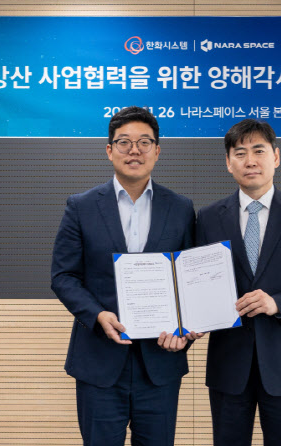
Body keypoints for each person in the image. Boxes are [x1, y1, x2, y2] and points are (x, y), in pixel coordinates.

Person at [51, 106, 194, 446]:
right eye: (124, 142)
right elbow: (64, 276)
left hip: (160, 362)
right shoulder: (81, 206)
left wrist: (186, 329)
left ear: (157, 151)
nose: (134, 150)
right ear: (109, 150)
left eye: (144, 142)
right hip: (99, 361)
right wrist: (97, 315)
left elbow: (191, 280)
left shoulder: (180, 208)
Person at [193, 119, 281, 446]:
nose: (250, 161)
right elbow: (197, 284)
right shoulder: (209, 217)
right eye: (240, 153)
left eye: (259, 151)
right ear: (228, 162)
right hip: (229, 363)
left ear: (276, 157)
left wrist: (278, 303)